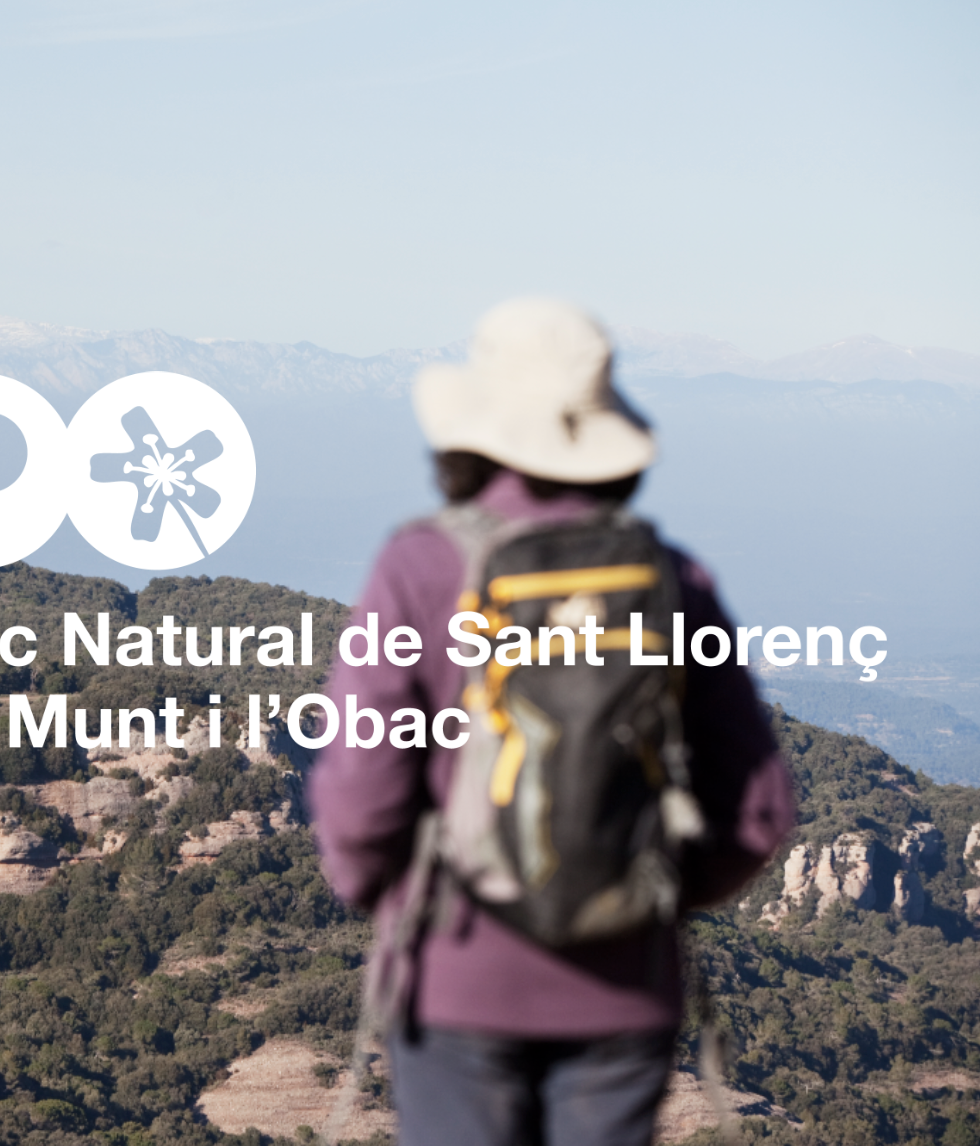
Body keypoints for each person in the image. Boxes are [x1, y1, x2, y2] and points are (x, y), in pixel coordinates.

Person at [306, 298, 796, 1146]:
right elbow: (758, 811)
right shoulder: (674, 578)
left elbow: (363, 783)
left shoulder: (421, 566)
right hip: (624, 984)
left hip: (455, 974)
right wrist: (652, 898)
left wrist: (384, 898)